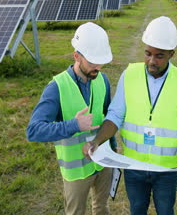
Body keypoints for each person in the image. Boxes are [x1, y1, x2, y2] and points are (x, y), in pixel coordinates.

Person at [82, 16, 177, 215]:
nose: (151, 61)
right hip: (134, 167)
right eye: (148, 53)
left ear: (171, 54)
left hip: (168, 170)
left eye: (159, 56)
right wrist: (97, 141)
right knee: (137, 210)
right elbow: (115, 115)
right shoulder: (129, 75)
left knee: (165, 211)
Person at [26, 22, 116, 215]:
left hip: (102, 162)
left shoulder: (103, 80)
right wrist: (73, 125)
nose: (98, 67)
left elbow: (109, 116)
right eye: (92, 62)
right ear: (77, 56)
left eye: (100, 62)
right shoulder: (56, 87)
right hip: (76, 172)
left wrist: (113, 149)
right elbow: (33, 131)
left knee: (101, 208)